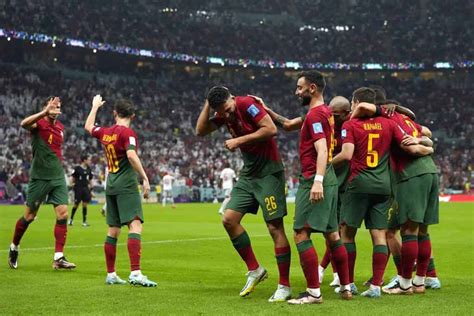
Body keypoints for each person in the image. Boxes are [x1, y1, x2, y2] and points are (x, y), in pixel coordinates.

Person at [257, 71, 352, 304]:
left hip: (315, 178)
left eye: (299, 88)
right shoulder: (324, 113)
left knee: (301, 233)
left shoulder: (315, 116)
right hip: (330, 178)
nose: (296, 92)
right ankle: (346, 287)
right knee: (332, 234)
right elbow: (288, 124)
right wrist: (266, 109)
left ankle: (313, 293)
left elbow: (321, 149)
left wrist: (317, 181)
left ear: (312, 88)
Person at [331, 87, 434, 298]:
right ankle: (377, 286)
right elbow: (420, 141)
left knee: (346, 233)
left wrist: (324, 165)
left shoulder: (351, 124)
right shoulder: (390, 123)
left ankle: (348, 285)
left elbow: (347, 153)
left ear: (357, 102)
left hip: (359, 183)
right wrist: (428, 147)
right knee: (380, 234)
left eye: (353, 102)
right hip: (384, 186)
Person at [195, 86, 292, 302]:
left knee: (274, 227)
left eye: (228, 110)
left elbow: (270, 129)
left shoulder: (246, 104)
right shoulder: (223, 113)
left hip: (269, 172)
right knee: (228, 219)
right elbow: (200, 131)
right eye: (222, 112)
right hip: (249, 174)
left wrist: (239, 140)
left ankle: (284, 286)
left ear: (232, 98)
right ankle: (255, 270)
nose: (227, 115)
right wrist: (207, 104)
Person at [85, 95, 156, 287]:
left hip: (111, 184)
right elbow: (131, 155)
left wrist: (94, 107)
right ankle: (135, 273)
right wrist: (145, 177)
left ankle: (111, 274)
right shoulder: (128, 133)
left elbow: (89, 127)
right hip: (126, 184)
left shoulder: (106, 132)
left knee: (113, 230)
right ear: (132, 115)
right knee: (135, 226)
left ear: (115, 113)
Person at [8, 97, 76, 270]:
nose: (56, 110)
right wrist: (45, 112)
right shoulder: (38, 124)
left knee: (63, 214)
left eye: (58, 107)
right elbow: (24, 123)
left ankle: (58, 258)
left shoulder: (61, 128)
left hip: (57, 177)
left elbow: (55, 151)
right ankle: (14, 246)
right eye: (53, 107)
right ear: (46, 107)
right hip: (39, 177)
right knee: (29, 216)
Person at [69, 155, 93, 226]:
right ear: (84, 160)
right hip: (78, 188)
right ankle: (71, 220)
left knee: (85, 205)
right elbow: (72, 177)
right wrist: (72, 184)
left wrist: (91, 188)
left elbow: (90, 179)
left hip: (85, 188)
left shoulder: (89, 169)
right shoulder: (77, 168)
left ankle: (84, 222)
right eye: (88, 160)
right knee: (76, 204)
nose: (90, 161)